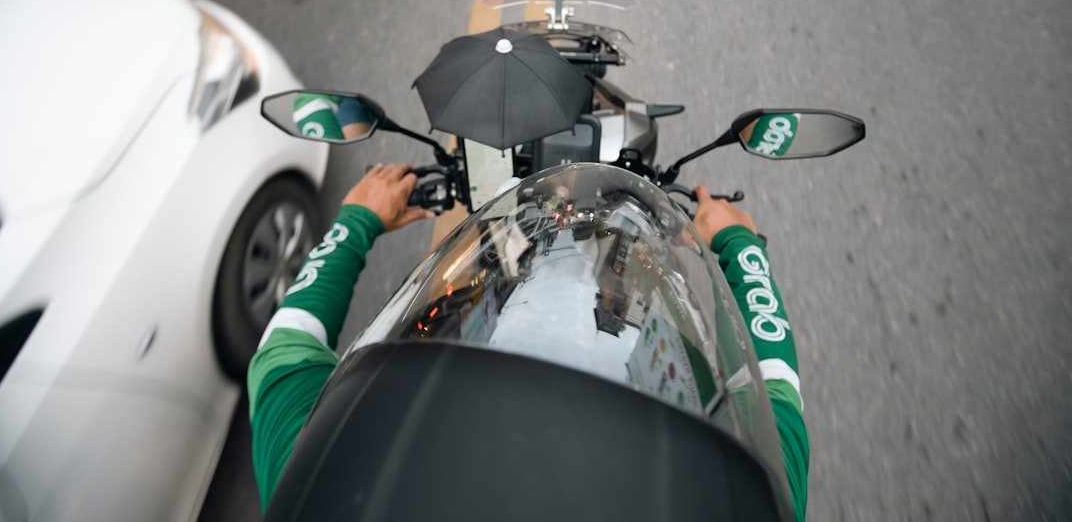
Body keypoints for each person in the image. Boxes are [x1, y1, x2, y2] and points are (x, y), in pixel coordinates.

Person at [248, 168, 809, 521]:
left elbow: (285, 345)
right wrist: (738, 243)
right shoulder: (749, 490)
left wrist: (355, 221)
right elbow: (772, 386)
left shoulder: (316, 474)